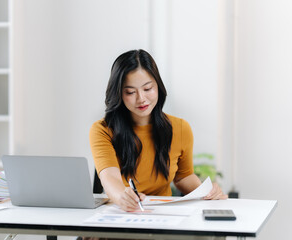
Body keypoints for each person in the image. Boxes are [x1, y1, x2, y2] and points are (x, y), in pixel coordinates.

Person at [89, 49, 227, 212]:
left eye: (148, 89)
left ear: (158, 87)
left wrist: (206, 192)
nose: (141, 99)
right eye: (130, 92)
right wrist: (122, 197)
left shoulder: (180, 128)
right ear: (118, 93)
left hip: (162, 215)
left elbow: (184, 176)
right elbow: (109, 177)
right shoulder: (102, 130)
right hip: (121, 214)